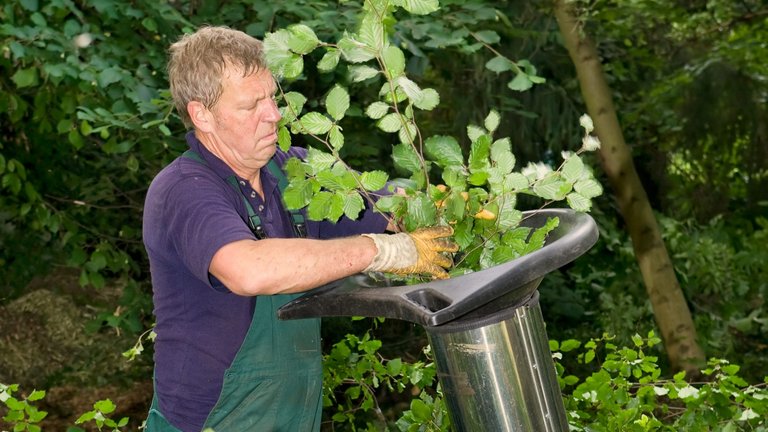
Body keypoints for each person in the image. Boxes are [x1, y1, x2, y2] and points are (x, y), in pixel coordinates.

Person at [142, 25, 457, 431]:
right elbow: (249, 270)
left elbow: (382, 203)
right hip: (211, 422)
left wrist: (430, 202)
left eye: (272, 97)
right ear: (202, 114)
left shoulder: (293, 172)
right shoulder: (184, 190)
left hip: (293, 418)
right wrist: (384, 250)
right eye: (250, 105)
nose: (273, 114)